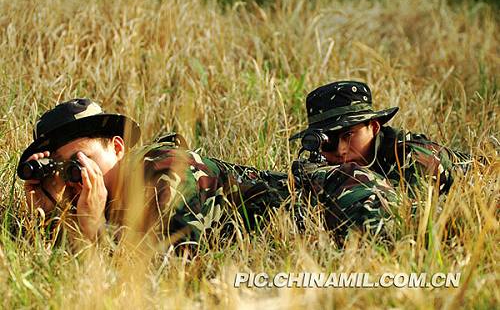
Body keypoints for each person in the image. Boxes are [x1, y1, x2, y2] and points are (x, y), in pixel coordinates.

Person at [18, 98, 399, 248]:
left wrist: (91, 230)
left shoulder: (160, 167)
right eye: (65, 168)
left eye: (82, 158)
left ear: (117, 147)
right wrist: (49, 209)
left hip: (340, 196)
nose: (77, 173)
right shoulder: (99, 199)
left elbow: (170, 263)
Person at [289, 80, 474, 201]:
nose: (341, 150)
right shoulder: (328, 161)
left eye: (348, 135)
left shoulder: (414, 157)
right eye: (329, 141)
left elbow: (399, 216)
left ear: (374, 127)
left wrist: (325, 183)